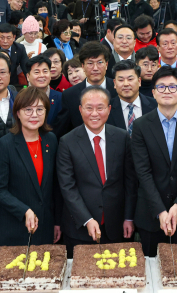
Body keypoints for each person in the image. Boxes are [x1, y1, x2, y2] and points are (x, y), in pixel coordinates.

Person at [131, 66, 177, 257]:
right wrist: (161, 211)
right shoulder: (140, 125)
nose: (167, 91)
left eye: (173, 87)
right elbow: (143, 172)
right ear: (153, 92)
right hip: (151, 213)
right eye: (161, 87)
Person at [57, 86, 136, 257]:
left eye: (100, 108)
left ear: (108, 110)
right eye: (89, 108)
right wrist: (86, 219)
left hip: (116, 226)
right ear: (80, 109)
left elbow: (130, 181)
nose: (94, 113)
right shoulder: (67, 142)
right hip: (80, 228)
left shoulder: (122, 137)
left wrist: (128, 217)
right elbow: (67, 187)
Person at [0, 87, 61, 246]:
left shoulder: (51, 140)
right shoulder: (5, 144)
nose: (34, 115)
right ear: (17, 113)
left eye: (39, 109)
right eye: (28, 110)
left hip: (45, 226)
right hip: (14, 227)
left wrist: (57, 222)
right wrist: (24, 210)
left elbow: (55, 186)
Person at [54, 42, 118, 137]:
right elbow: (62, 131)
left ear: (106, 64)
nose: (95, 68)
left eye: (100, 62)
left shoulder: (117, 89)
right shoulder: (70, 95)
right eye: (90, 63)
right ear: (83, 66)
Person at [106, 60, 157, 133]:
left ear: (139, 81)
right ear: (114, 83)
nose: (126, 84)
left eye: (130, 79)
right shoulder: (107, 109)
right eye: (121, 80)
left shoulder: (155, 105)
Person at [25, 55, 62, 127]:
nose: (41, 75)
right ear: (28, 77)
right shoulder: (20, 98)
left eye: (45, 71)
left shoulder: (61, 98)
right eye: (36, 72)